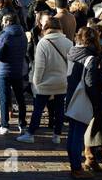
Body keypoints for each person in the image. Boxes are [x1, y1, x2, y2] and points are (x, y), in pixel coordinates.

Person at [20, 14, 73, 145]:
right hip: (62, 81)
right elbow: (71, 66)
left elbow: (39, 67)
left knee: (38, 109)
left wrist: (35, 83)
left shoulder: (43, 43)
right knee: (60, 109)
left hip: (45, 82)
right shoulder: (69, 43)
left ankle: (31, 133)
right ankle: (57, 135)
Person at [66, 26, 102, 180]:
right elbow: (91, 84)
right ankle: (76, 167)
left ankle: (75, 165)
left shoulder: (72, 52)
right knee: (77, 134)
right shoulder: (90, 58)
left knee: (73, 133)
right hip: (83, 98)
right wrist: (96, 103)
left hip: (71, 95)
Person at [0, 13, 29, 135]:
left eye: (3, 21)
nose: (2, 23)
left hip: (4, 70)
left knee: (4, 98)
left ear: (7, 22)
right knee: (20, 97)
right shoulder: (23, 34)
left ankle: (4, 125)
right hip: (18, 69)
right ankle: (22, 123)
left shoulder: (4, 35)